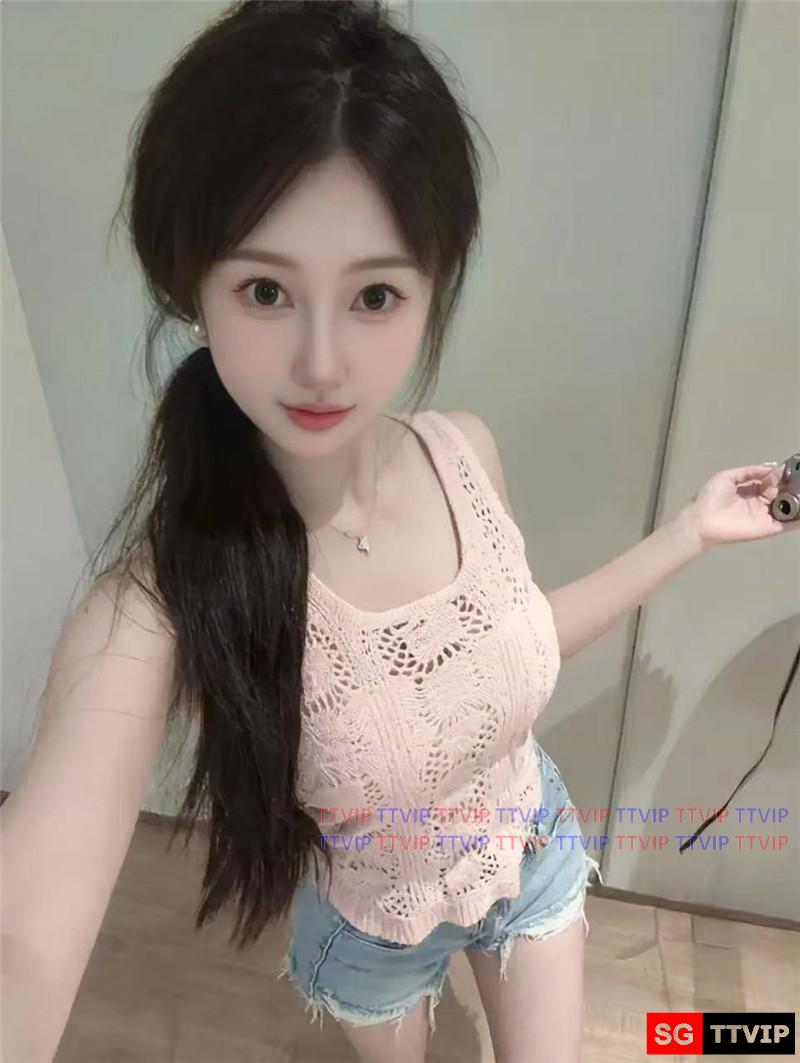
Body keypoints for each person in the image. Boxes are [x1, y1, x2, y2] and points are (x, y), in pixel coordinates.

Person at [3, 3, 794, 1062]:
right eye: (266, 290)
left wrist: (690, 531)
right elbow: (23, 933)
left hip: (529, 848)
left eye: (373, 294)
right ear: (191, 285)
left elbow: (511, 640)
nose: (322, 362)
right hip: (374, 928)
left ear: (431, 289)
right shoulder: (164, 598)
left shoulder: (463, 452)